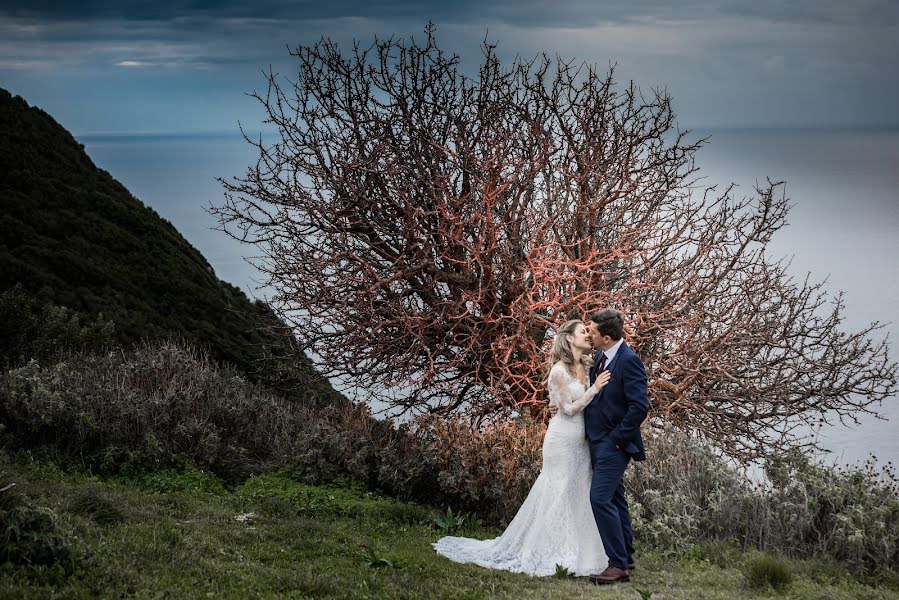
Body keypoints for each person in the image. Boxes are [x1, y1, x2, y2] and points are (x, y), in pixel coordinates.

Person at [433, 319, 611, 576]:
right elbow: (569, 409)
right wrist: (594, 389)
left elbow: (576, 403)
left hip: (581, 443)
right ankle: (546, 551)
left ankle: (580, 552)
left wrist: (590, 390)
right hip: (561, 440)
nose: (588, 335)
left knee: (577, 494)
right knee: (556, 492)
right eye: (583, 331)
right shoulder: (558, 371)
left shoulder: (587, 365)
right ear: (569, 338)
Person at [583, 308, 650, 585]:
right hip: (597, 442)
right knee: (615, 498)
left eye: (592, 331)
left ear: (606, 337)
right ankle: (627, 555)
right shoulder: (601, 355)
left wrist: (615, 439)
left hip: (614, 445)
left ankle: (617, 565)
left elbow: (639, 407)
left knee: (599, 498)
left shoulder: (629, 361)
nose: (589, 333)